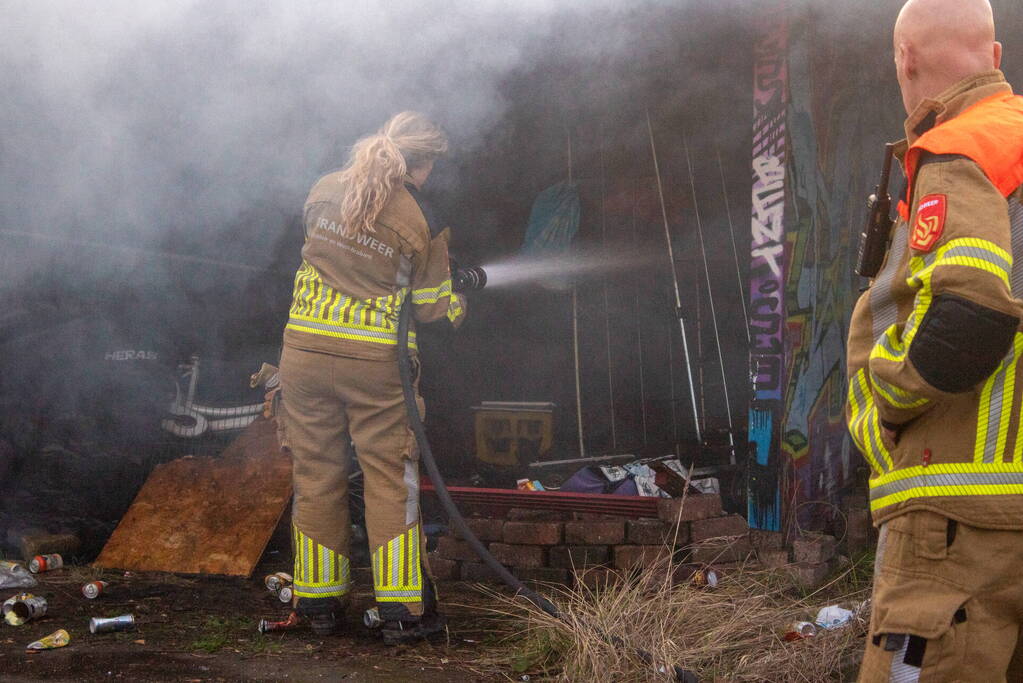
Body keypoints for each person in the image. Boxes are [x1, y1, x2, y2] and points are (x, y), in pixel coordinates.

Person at [846, 0, 1023, 679]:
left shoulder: (960, 147)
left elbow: (967, 317)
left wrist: (879, 404)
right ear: (995, 58)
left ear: (906, 61)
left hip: (957, 518)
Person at [277, 112, 465, 643]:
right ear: (420, 164)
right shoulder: (420, 215)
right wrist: (458, 301)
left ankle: (317, 605)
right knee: (389, 480)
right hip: (373, 366)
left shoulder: (324, 189)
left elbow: (330, 257)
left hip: (304, 356)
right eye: (432, 167)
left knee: (316, 478)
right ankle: (403, 612)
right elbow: (429, 308)